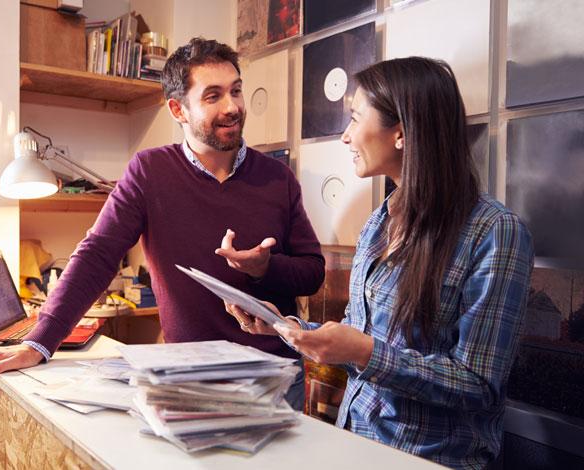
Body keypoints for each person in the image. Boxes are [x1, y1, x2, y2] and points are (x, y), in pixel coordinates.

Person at [0, 38, 325, 409]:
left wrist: (265, 268)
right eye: (213, 96)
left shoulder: (277, 177)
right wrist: (40, 341)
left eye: (236, 91)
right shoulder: (148, 171)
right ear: (178, 109)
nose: (232, 107)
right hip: (188, 378)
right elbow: (97, 254)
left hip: (274, 378)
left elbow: (312, 273)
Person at [226, 57, 534, 469]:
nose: (346, 136)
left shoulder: (496, 232)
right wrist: (290, 328)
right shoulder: (380, 220)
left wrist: (366, 353)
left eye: (355, 119)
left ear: (401, 133)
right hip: (355, 446)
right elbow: (360, 333)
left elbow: (479, 385)